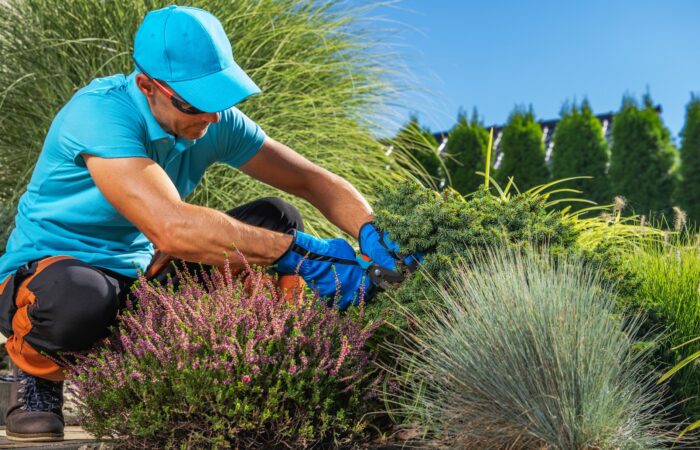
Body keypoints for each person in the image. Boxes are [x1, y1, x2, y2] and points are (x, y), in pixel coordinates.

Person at [0, 5, 420, 443]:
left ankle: (279, 367)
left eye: (220, 98)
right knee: (80, 297)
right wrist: (297, 251)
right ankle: (35, 375)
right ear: (147, 87)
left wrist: (374, 231)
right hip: (51, 278)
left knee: (277, 217)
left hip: (142, 275)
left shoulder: (211, 118)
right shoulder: (99, 114)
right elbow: (171, 227)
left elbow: (312, 181)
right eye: (196, 102)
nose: (213, 116)